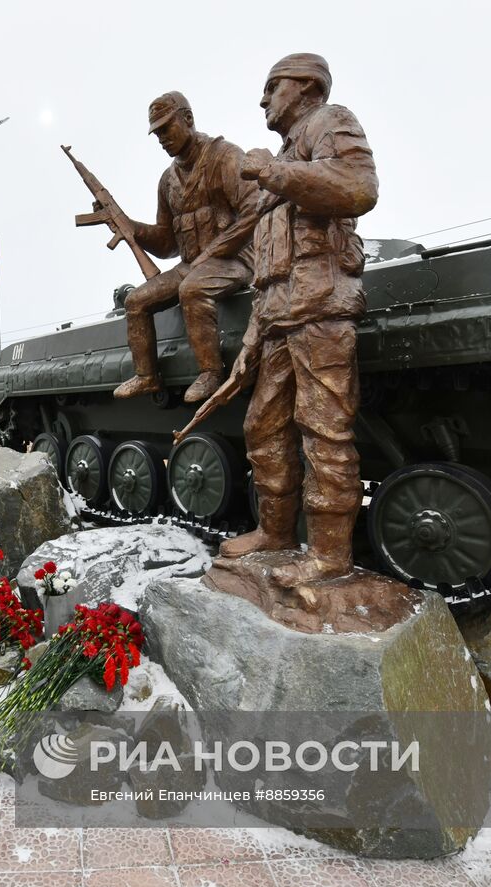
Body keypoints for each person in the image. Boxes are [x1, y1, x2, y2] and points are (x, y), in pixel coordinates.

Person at [214, 53, 379, 585]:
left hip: (322, 310)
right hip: (280, 318)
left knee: (324, 434)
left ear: (305, 86)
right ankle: (276, 534)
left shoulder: (328, 122)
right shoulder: (285, 155)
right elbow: (268, 267)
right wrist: (250, 340)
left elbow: (359, 185)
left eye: (272, 87)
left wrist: (274, 171)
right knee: (262, 427)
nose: (263, 100)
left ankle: (330, 558)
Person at [113, 91, 261, 404]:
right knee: (136, 301)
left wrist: (214, 251)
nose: (162, 139)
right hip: (192, 264)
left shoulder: (225, 156)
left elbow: (254, 211)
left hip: (236, 260)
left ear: (188, 119)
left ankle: (211, 373)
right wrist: (131, 227)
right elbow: (168, 243)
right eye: (157, 134)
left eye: (166, 128)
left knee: (192, 289)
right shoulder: (167, 181)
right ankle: (146, 376)